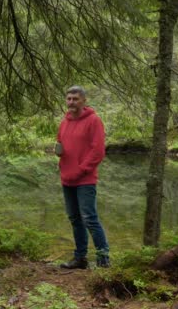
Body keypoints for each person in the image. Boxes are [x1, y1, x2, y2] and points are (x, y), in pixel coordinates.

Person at [56, 85, 110, 269]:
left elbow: (98, 152)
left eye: (75, 99)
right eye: (69, 98)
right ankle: (80, 258)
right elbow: (60, 143)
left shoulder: (93, 120)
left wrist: (81, 169)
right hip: (67, 178)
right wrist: (60, 154)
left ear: (84, 101)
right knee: (74, 218)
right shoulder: (64, 122)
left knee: (89, 218)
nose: (71, 102)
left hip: (85, 179)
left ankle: (103, 260)